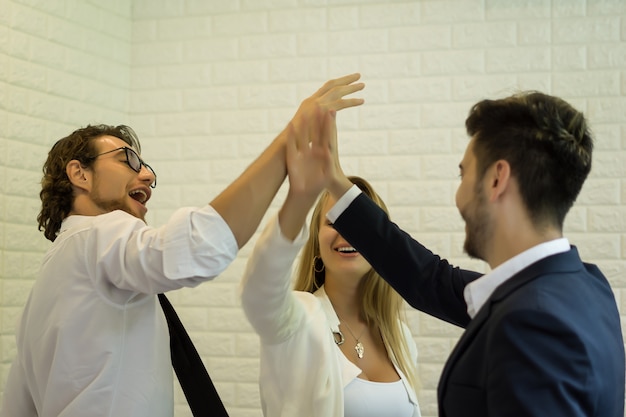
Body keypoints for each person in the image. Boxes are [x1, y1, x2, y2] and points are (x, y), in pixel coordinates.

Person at [0, 73, 365, 417]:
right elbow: (197, 248)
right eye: (128, 160)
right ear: (79, 173)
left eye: (147, 169)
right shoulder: (100, 235)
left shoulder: (43, 295)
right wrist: (290, 141)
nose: (147, 174)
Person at [319, 91, 625, 416]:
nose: (459, 195)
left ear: (496, 179)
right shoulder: (590, 287)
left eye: (463, 174)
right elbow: (430, 279)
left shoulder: (531, 324)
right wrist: (334, 180)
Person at [240, 119, 421, 415]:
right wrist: (300, 195)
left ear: (381, 244)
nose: (347, 232)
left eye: (359, 224)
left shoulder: (399, 336)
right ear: (317, 243)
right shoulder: (299, 319)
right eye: (333, 221)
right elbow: (259, 291)